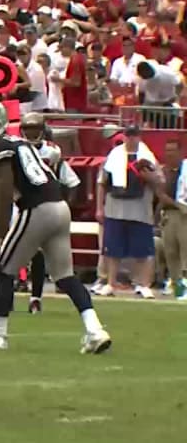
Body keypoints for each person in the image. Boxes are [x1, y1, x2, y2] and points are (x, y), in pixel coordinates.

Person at [0, 100, 111, 354]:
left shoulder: (1, 146)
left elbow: (2, 195)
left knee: (4, 268)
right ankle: (95, 330)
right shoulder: (21, 144)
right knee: (65, 277)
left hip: (37, 209)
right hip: (58, 207)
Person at [19, 112, 81, 312]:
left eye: (35, 129)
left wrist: (65, 204)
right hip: (21, 205)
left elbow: (71, 181)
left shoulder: (52, 152)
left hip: (46, 207)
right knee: (7, 253)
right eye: (27, 129)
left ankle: (35, 297)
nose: (31, 133)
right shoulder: (16, 149)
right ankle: (8, 297)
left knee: (42, 256)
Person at [94, 125, 159, 299]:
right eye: (128, 136)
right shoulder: (114, 155)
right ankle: (110, 283)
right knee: (113, 249)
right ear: (124, 137)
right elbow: (102, 182)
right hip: (116, 206)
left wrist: (148, 176)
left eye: (134, 136)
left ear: (139, 137)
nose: (131, 139)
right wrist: (100, 207)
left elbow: (159, 181)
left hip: (140, 207)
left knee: (143, 250)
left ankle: (144, 284)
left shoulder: (148, 156)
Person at [156, 138, 186, 300]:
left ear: (180, 152)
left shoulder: (185, 170)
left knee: (185, 250)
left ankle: (185, 284)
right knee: (171, 252)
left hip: (184, 215)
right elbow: (161, 194)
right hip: (170, 213)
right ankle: (177, 286)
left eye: (173, 150)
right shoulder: (164, 171)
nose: (169, 154)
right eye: (167, 150)